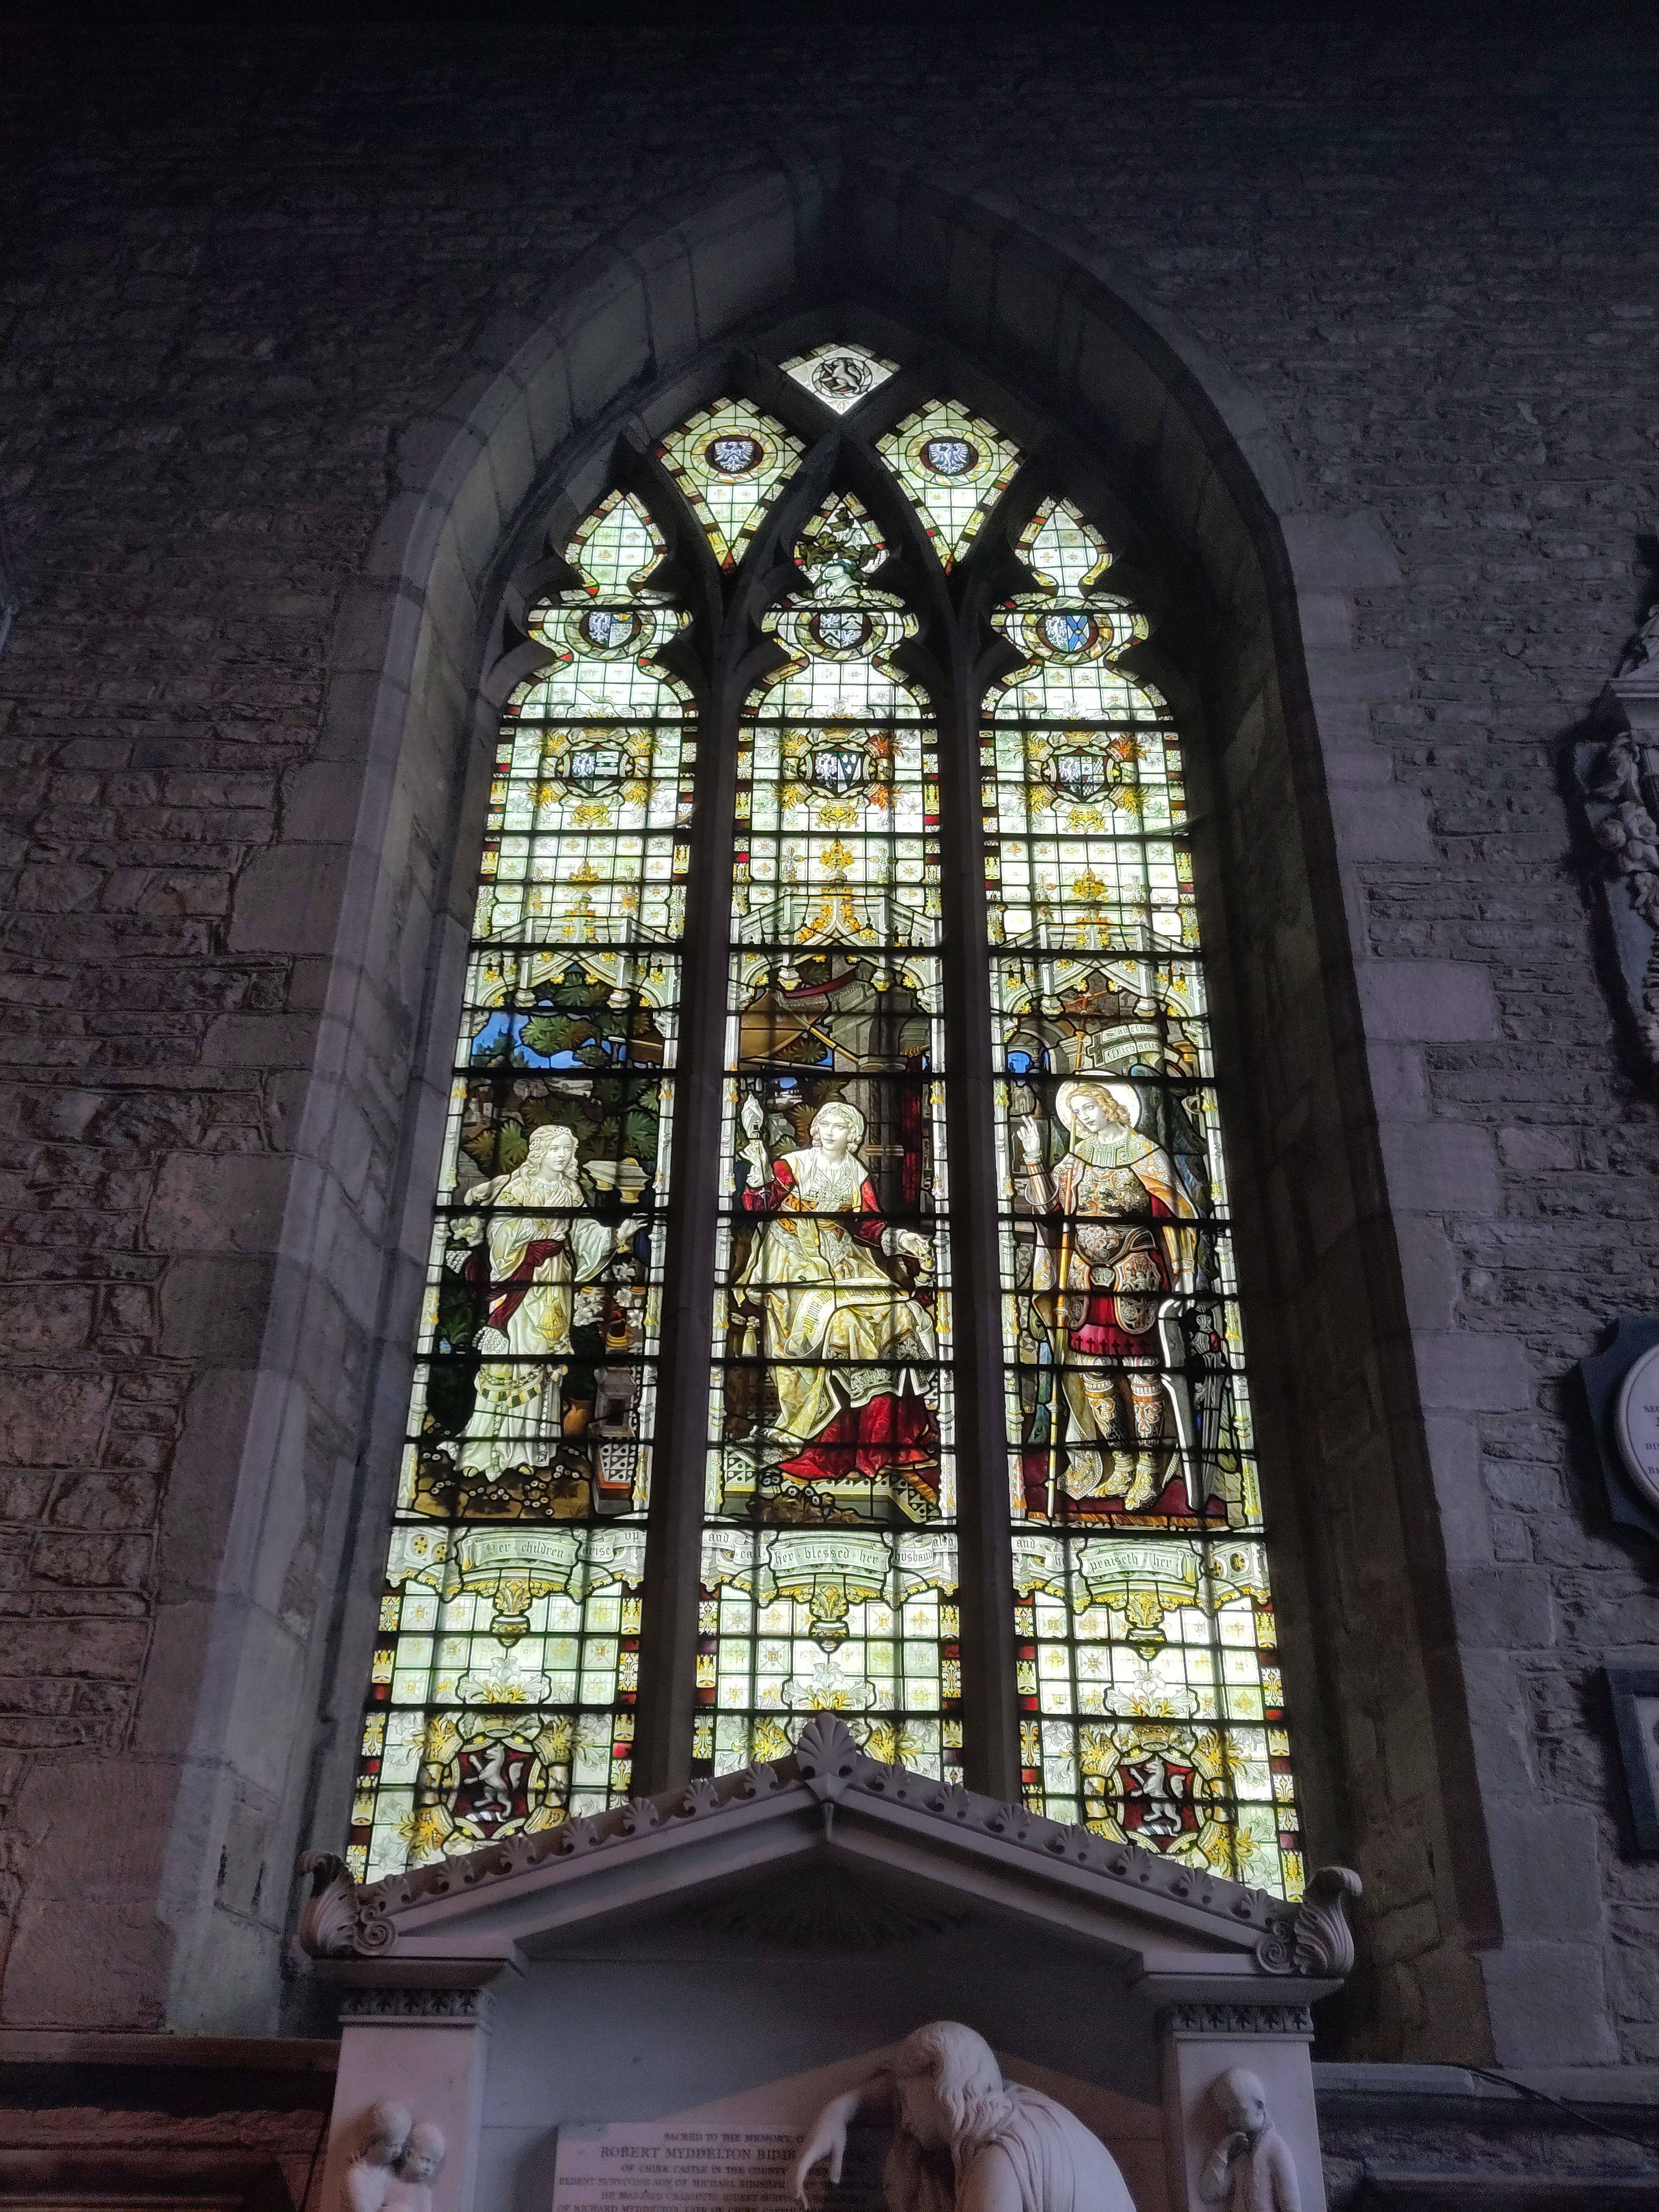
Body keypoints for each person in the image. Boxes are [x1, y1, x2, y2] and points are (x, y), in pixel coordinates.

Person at [735, 1097, 938, 1493]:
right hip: (791, 1259)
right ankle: (829, 1441)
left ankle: (883, 1440)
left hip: (843, 1257)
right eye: (824, 1125)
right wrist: (758, 1181)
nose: (828, 1132)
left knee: (901, 1312)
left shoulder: (856, 1171)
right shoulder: (791, 1165)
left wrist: (903, 1238)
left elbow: (869, 1225)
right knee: (840, 1319)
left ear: (855, 1136)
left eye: (839, 1127)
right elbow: (758, 1207)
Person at [1016, 1079, 1197, 1511]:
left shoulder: (1146, 1154)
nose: (1082, 1117)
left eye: (1088, 1108)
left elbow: (1176, 1214)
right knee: (1095, 1370)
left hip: (1132, 1272)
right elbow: (1049, 1211)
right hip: (1082, 1275)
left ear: (1110, 1106)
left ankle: (1149, 1470)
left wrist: (1186, 1272)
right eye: (1076, 1112)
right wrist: (1035, 1159)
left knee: (1140, 1370)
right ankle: (1122, 1463)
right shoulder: (1076, 1159)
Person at [447, 1122, 630, 1481]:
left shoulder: (570, 1191)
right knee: (507, 1360)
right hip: (519, 1283)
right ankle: (487, 1448)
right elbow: (500, 1232)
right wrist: (533, 1231)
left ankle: (530, 1450)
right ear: (541, 1152)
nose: (563, 1156)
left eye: (568, 1150)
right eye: (557, 1149)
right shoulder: (518, 1188)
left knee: (542, 1361)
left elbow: (584, 1235)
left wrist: (613, 1236)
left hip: (553, 1283)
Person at [792, 2020, 1134, 2212]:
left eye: (907, 2095)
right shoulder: (1016, 2105)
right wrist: (839, 2111)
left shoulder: (998, 2163)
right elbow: (895, 2093)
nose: (905, 2117)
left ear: (939, 2083)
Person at [1197, 2070, 1301, 2212]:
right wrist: (1223, 2152)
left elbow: (1292, 2207)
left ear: (1259, 2106)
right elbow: (1209, 2195)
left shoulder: (1277, 2149)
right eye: (1227, 2113)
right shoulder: (1238, 2146)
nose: (1231, 2120)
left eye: (1237, 2111)